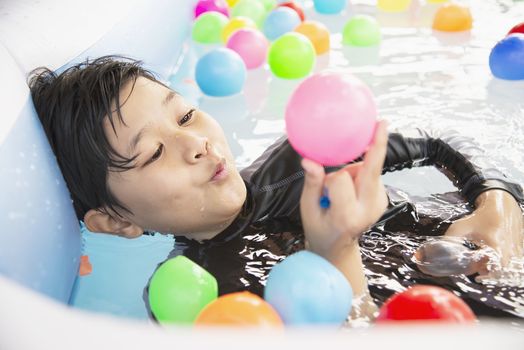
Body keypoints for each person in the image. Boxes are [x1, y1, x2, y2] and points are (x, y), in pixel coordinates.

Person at [29, 56, 524, 320]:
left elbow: (440, 141)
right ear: (117, 222)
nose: (195, 142)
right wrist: (337, 250)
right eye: (153, 153)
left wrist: (497, 206)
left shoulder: (300, 162)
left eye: (184, 114)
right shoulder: (199, 300)